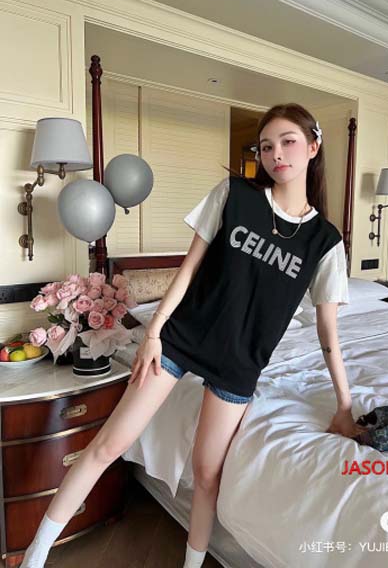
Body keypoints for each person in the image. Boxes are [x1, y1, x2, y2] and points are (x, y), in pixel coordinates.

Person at [21, 103, 368, 568]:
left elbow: (328, 332)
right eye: (266, 146)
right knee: (108, 445)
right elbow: (188, 270)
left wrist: (344, 406)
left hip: (239, 362)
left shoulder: (324, 242)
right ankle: (36, 555)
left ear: (313, 147)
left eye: (288, 142)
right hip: (181, 338)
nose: (276, 154)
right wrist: (154, 332)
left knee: (207, 476)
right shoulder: (235, 195)